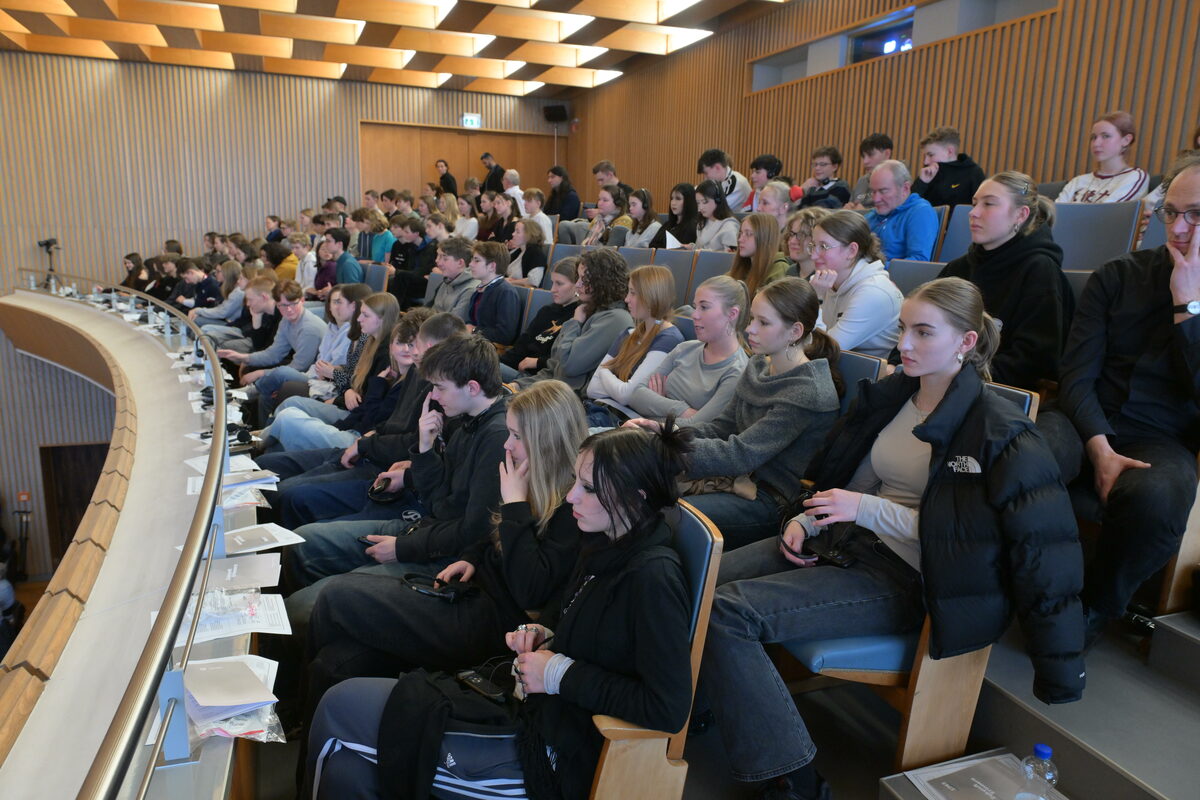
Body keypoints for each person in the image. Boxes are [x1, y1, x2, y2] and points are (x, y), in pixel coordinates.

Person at [702, 277, 1085, 800]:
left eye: (924, 333)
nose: (903, 344)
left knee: (728, 612)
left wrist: (867, 510)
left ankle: (792, 781)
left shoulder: (997, 429)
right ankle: (711, 705)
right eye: (903, 329)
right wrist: (809, 519)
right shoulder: (896, 395)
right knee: (699, 581)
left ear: (966, 343)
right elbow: (856, 483)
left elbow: (983, 544)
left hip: (909, 579)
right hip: (846, 546)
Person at [304, 423, 695, 800]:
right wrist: (544, 636)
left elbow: (667, 708)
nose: (572, 496)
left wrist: (560, 673)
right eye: (576, 481)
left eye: (588, 488)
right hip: (535, 711)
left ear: (635, 497)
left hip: (556, 753)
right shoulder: (603, 541)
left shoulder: (652, 577)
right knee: (344, 742)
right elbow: (587, 627)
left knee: (341, 710)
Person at [285, 379, 586, 716]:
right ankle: (299, 723)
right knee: (335, 661)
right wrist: (472, 558)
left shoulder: (573, 507)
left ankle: (290, 713)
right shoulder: (524, 476)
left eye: (517, 437)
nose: (508, 444)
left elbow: (531, 590)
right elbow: (486, 531)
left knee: (337, 596)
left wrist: (514, 505)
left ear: (546, 442)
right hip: (468, 588)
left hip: (493, 623)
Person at [1038, 153, 1200, 647]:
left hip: (1162, 438)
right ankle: (1028, 579)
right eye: (1171, 212)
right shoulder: (1119, 274)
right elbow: (1076, 373)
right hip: (1085, 416)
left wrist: (1187, 308)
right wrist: (1099, 445)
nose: (1178, 227)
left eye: (1196, 214)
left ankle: (1096, 606)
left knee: (1158, 497)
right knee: (1023, 449)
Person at [628, 277, 841, 550]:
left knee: (661, 513)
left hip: (766, 498)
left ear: (794, 331)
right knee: (636, 486)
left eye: (763, 323)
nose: (750, 329)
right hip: (734, 480)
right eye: (752, 318)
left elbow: (741, 454)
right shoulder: (758, 366)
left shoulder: (808, 392)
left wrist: (668, 449)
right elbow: (720, 428)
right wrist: (667, 432)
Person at [938, 171, 1072, 390]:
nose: (974, 213)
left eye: (989, 204)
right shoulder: (958, 268)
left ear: (1021, 215)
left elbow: (1032, 362)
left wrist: (956, 376)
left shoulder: (1040, 271)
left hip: (992, 394)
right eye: (974, 204)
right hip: (945, 382)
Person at [627, 275, 750, 423]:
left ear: (732, 314)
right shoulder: (685, 348)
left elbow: (697, 427)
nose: (694, 314)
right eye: (695, 306)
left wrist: (656, 406)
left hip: (666, 441)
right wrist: (682, 410)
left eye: (704, 307)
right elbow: (636, 395)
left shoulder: (737, 371)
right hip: (640, 430)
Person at [515, 248, 633, 392]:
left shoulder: (615, 319)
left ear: (602, 281)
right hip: (549, 390)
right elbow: (553, 368)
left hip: (566, 401)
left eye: (584, 279)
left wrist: (574, 323)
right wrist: (520, 385)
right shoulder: (590, 311)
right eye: (578, 278)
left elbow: (569, 366)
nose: (577, 284)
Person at [252, 284, 360, 425]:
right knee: (266, 395)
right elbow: (275, 352)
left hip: (329, 385)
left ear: (353, 306)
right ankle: (257, 434)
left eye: (339, 302)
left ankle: (252, 392)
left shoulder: (350, 333)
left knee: (281, 374)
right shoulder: (332, 327)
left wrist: (260, 372)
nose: (335, 307)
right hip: (314, 375)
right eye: (333, 302)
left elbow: (329, 369)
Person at [587, 265, 683, 407]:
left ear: (650, 296)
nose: (626, 299)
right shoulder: (628, 333)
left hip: (628, 420)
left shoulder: (668, 339)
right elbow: (592, 389)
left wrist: (604, 372)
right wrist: (620, 389)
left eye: (632, 293)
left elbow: (627, 395)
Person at [809, 210, 902, 357]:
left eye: (823, 247)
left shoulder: (874, 292)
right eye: (813, 245)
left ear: (852, 251)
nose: (813, 255)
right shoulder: (823, 280)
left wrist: (814, 301)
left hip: (865, 377)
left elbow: (824, 352)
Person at [218, 280, 328, 389]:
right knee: (255, 371)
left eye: (293, 304)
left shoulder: (309, 328)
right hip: (306, 369)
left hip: (318, 376)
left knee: (263, 377)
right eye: (283, 305)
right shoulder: (286, 320)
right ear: (277, 304)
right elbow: (274, 353)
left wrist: (262, 373)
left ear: (302, 301)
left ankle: (248, 397)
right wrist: (243, 357)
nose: (289, 309)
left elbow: (299, 367)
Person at [500, 257, 580, 381]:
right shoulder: (547, 311)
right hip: (518, 373)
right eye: (552, 282)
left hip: (539, 380)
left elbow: (564, 360)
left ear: (577, 285)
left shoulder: (579, 318)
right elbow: (520, 347)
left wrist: (539, 362)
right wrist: (495, 364)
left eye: (559, 283)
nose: (552, 289)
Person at [1057, 110, 1150, 204]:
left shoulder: (1134, 176)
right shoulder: (1078, 181)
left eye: (1106, 136)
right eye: (1094, 137)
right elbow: (1054, 213)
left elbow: (1106, 213)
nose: (1096, 143)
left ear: (1126, 140)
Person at [864, 160, 940, 263]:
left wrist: (872, 269)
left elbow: (918, 262)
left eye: (883, 191)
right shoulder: (871, 216)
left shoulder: (920, 212)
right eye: (873, 192)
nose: (875, 199)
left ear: (905, 188)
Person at [912, 126, 986, 208]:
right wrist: (921, 182)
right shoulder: (928, 173)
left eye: (930, 155)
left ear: (950, 152)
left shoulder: (974, 173)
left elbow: (982, 207)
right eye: (925, 156)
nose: (925, 161)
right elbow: (908, 207)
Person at [466, 241, 522, 346]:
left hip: (486, 349)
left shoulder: (506, 292)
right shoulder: (479, 289)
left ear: (492, 266)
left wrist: (474, 330)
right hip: (473, 343)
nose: (470, 264)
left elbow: (505, 335)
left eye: (476, 261)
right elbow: (470, 321)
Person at [730, 212, 789, 297]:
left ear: (765, 238)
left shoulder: (779, 269)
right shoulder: (745, 266)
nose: (740, 239)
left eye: (748, 234)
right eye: (741, 233)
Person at [429, 237, 480, 321]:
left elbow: (452, 324)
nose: (437, 261)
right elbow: (432, 311)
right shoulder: (447, 280)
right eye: (437, 256)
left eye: (444, 258)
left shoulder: (470, 290)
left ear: (460, 263)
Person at [846, 132, 894, 209]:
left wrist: (865, 213)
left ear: (887, 154)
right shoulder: (862, 181)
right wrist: (848, 210)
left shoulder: (897, 181)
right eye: (863, 156)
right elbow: (852, 205)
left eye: (870, 155)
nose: (865, 161)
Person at [692, 179, 740, 252]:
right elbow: (700, 248)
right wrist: (692, 248)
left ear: (718, 200)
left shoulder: (729, 226)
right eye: (698, 203)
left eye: (705, 202)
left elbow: (730, 258)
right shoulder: (702, 222)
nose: (700, 208)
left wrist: (704, 252)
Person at [783, 208, 831, 280]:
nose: (792, 241)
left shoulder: (825, 279)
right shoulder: (791, 272)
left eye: (802, 235)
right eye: (792, 234)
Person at [652, 182, 699, 248]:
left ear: (689, 201)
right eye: (672, 198)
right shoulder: (667, 224)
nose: (673, 203)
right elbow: (652, 246)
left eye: (678, 199)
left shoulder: (693, 227)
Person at [504, 218, 548, 289]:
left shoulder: (536, 253)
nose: (513, 234)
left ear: (528, 235)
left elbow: (534, 281)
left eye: (517, 232)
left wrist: (512, 282)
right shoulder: (519, 250)